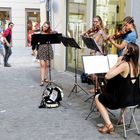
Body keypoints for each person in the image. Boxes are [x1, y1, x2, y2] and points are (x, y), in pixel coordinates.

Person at [95, 42, 140, 134]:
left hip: (122, 101)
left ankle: (109, 125)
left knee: (97, 98)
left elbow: (107, 76)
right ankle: (121, 119)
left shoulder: (125, 65)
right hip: (134, 100)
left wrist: (117, 63)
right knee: (126, 94)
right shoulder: (138, 66)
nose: (123, 49)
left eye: (125, 48)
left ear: (127, 52)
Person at [83, 15, 108, 93]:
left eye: (96, 21)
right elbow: (87, 36)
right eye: (94, 21)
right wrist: (86, 34)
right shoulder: (95, 30)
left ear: (100, 22)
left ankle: (97, 88)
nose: (95, 23)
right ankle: (97, 87)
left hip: (98, 53)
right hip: (93, 52)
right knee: (92, 73)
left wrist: (100, 29)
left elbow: (106, 38)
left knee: (96, 73)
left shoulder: (101, 30)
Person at [36, 21, 54, 86]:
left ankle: (46, 78)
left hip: (48, 49)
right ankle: (42, 80)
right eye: (44, 26)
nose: (45, 28)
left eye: (47, 27)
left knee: (47, 65)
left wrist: (53, 33)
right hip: (41, 49)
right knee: (42, 65)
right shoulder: (39, 32)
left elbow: (55, 37)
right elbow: (35, 42)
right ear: (42, 25)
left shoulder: (49, 33)